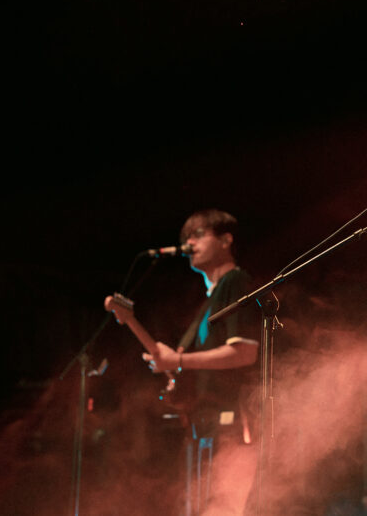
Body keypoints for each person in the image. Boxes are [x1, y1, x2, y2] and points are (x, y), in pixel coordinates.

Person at [141, 208, 261, 513]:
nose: (188, 244)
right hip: (207, 422)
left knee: (225, 504)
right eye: (185, 238)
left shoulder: (236, 282)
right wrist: (174, 364)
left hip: (232, 420)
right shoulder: (213, 296)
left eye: (197, 234)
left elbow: (245, 351)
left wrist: (179, 362)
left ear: (225, 240)